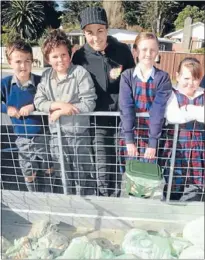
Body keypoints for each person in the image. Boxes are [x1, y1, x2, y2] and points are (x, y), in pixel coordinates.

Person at [72, 6, 135, 196]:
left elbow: (132, 82)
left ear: (107, 29)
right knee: (102, 164)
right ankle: (104, 198)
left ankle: (116, 199)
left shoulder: (122, 51)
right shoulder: (80, 56)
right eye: (89, 32)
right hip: (97, 121)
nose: (95, 37)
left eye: (100, 31)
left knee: (119, 163)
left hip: (120, 120)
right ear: (84, 33)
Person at [34, 29, 97, 195]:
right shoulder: (46, 77)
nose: (60, 60)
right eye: (54, 56)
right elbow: (38, 101)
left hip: (78, 136)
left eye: (63, 54)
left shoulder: (80, 74)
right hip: (57, 136)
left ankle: (85, 212)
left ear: (70, 54)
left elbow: (89, 103)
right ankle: (68, 210)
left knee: (82, 174)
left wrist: (62, 112)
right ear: (48, 59)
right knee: (63, 175)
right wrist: (60, 105)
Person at [1, 39, 53, 192]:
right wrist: (6, 108)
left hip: (43, 136)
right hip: (22, 139)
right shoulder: (5, 84)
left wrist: (34, 106)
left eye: (27, 61)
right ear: (9, 62)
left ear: (32, 61)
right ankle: (34, 197)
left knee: (49, 168)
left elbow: (50, 99)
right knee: (29, 172)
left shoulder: (40, 82)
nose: (23, 66)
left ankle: (50, 198)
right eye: (18, 61)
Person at [119, 32, 172, 172]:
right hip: (131, 133)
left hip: (153, 134)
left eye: (152, 49)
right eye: (144, 49)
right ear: (135, 51)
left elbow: (158, 110)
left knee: (148, 176)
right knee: (131, 174)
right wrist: (129, 140)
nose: (148, 53)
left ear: (157, 52)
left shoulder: (163, 78)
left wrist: (152, 142)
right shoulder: (127, 76)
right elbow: (126, 107)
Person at [164, 57, 204, 201]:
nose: (190, 83)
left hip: (198, 147)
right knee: (175, 183)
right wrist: (195, 111)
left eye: (195, 78)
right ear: (178, 76)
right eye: (186, 78)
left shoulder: (202, 94)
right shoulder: (172, 94)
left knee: (198, 184)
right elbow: (173, 117)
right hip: (178, 146)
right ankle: (170, 206)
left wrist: (186, 110)